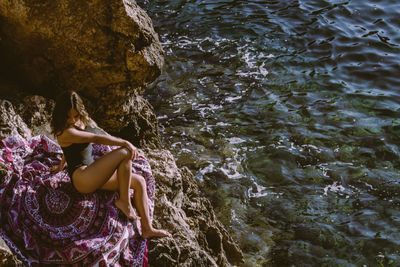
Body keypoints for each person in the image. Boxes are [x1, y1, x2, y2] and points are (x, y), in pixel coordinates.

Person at [51, 90, 171, 238]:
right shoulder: (66, 132)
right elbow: (95, 138)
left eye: (75, 115)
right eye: (67, 117)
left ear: (80, 111)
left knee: (139, 181)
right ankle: (124, 201)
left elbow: (68, 150)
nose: (72, 120)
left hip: (93, 172)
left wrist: (60, 166)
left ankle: (147, 229)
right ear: (61, 114)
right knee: (125, 152)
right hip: (82, 179)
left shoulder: (80, 121)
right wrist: (125, 142)